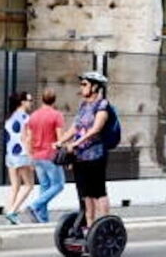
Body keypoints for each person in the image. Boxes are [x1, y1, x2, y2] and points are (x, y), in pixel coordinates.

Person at [58, 72, 112, 230]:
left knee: (98, 191)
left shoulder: (102, 106)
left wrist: (77, 143)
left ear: (95, 87)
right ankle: (90, 226)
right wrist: (60, 141)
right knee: (85, 193)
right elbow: (75, 127)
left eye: (84, 84)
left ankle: (105, 225)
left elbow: (96, 129)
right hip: (80, 156)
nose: (81, 88)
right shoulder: (83, 105)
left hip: (96, 155)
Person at [26, 89, 66, 223]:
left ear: (42, 99)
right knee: (59, 185)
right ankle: (34, 206)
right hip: (50, 155)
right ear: (54, 100)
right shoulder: (57, 115)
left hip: (37, 156)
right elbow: (60, 138)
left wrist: (30, 157)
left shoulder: (33, 116)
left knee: (44, 186)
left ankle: (42, 219)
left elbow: (29, 139)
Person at [3, 91, 34, 225]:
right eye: (29, 100)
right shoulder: (25, 118)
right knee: (29, 185)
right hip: (22, 155)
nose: (31, 103)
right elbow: (26, 139)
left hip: (10, 155)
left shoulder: (9, 117)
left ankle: (10, 212)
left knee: (15, 185)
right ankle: (12, 212)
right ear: (22, 102)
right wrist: (31, 157)